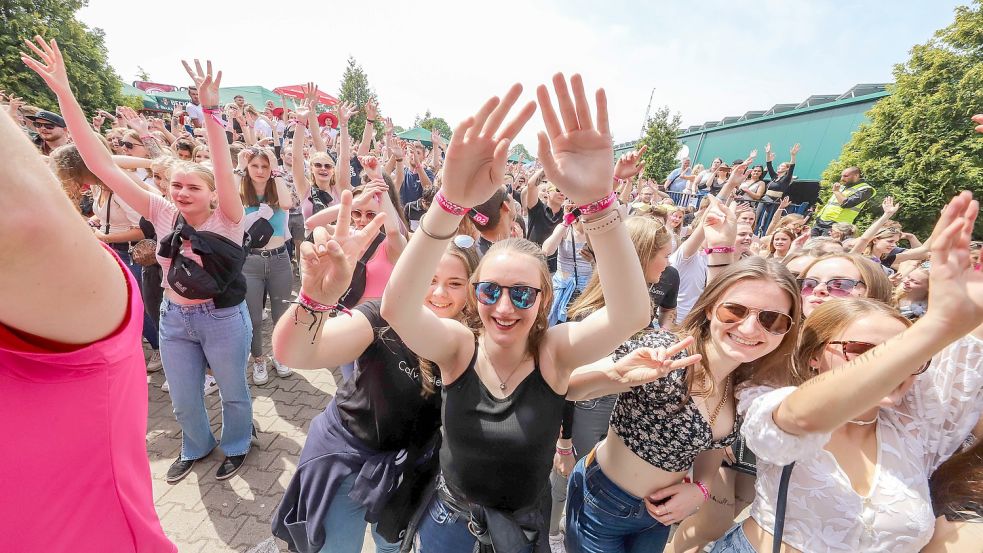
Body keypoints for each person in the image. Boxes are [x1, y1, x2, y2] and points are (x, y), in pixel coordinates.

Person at [381, 74, 651, 552]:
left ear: (544, 301)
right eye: (488, 292)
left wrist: (598, 203)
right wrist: (449, 203)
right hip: (449, 524)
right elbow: (398, 308)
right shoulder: (459, 347)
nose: (504, 308)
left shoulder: (554, 351)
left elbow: (630, 314)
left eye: (523, 295)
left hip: (523, 531)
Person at [711, 191, 982, 552]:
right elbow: (796, 416)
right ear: (814, 356)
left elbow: (967, 354)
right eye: (809, 284)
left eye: (839, 284)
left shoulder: (918, 416)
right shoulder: (767, 376)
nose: (820, 292)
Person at [6, 35, 175, 552]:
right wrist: (64, 97)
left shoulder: (195, 212)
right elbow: (100, 163)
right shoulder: (157, 207)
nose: (181, 189)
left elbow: (24, 221)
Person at [270, 191, 478, 553]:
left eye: (455, 283)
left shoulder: (473, 341)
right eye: (429, 278)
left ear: (472, 290)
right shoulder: (384, 315)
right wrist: (315, 299)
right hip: (347, 464)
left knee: (391, 547)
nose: (439, 293)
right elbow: (296, 351)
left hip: (411, 474)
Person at [563, 253, 801, 553]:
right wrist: (617, 375)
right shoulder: (667, 351)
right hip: (603, 503)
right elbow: (568, 387)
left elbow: (713, 445)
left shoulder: (745, 384)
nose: (751, 328)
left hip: (658, 517)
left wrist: (701, 489)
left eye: (772, 319)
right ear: (712, 308)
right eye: (735, 311)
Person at [548, 216, 673, 550]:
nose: (668, 263)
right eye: (665, 254)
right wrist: (563, 442)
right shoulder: (591, 315)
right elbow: (564, 386)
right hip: (587, 413)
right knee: (567, 480)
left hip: (619, 417)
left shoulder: (645, 307)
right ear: (644, 255)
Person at [238, 146, 295, 385]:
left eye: (264, 166)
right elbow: (223, 198)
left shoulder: (277, 188)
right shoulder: (240, 192)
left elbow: (287, 203)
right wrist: (239, 168)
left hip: (280, 259)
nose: (260, 171)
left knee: (281, 314)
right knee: (254, 317)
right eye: (255, 166)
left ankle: (280, 355)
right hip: (250, 262)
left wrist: (277, 170)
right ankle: (259, 359)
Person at [798, 253, 892, 317]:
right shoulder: (786, 342)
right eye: (809, 284)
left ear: (873, 292)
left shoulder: (891, 344)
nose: (818, 289)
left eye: (839, 285)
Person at [811, 166, 874, 237]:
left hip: (836, 227)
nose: (842, 179)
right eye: (841, 176)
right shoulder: (842, 187)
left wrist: (836, 192)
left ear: (856, 175)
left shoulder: (866, 189)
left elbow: (846, 203)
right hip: (819, 223)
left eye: (845, 176)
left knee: (823, 247)